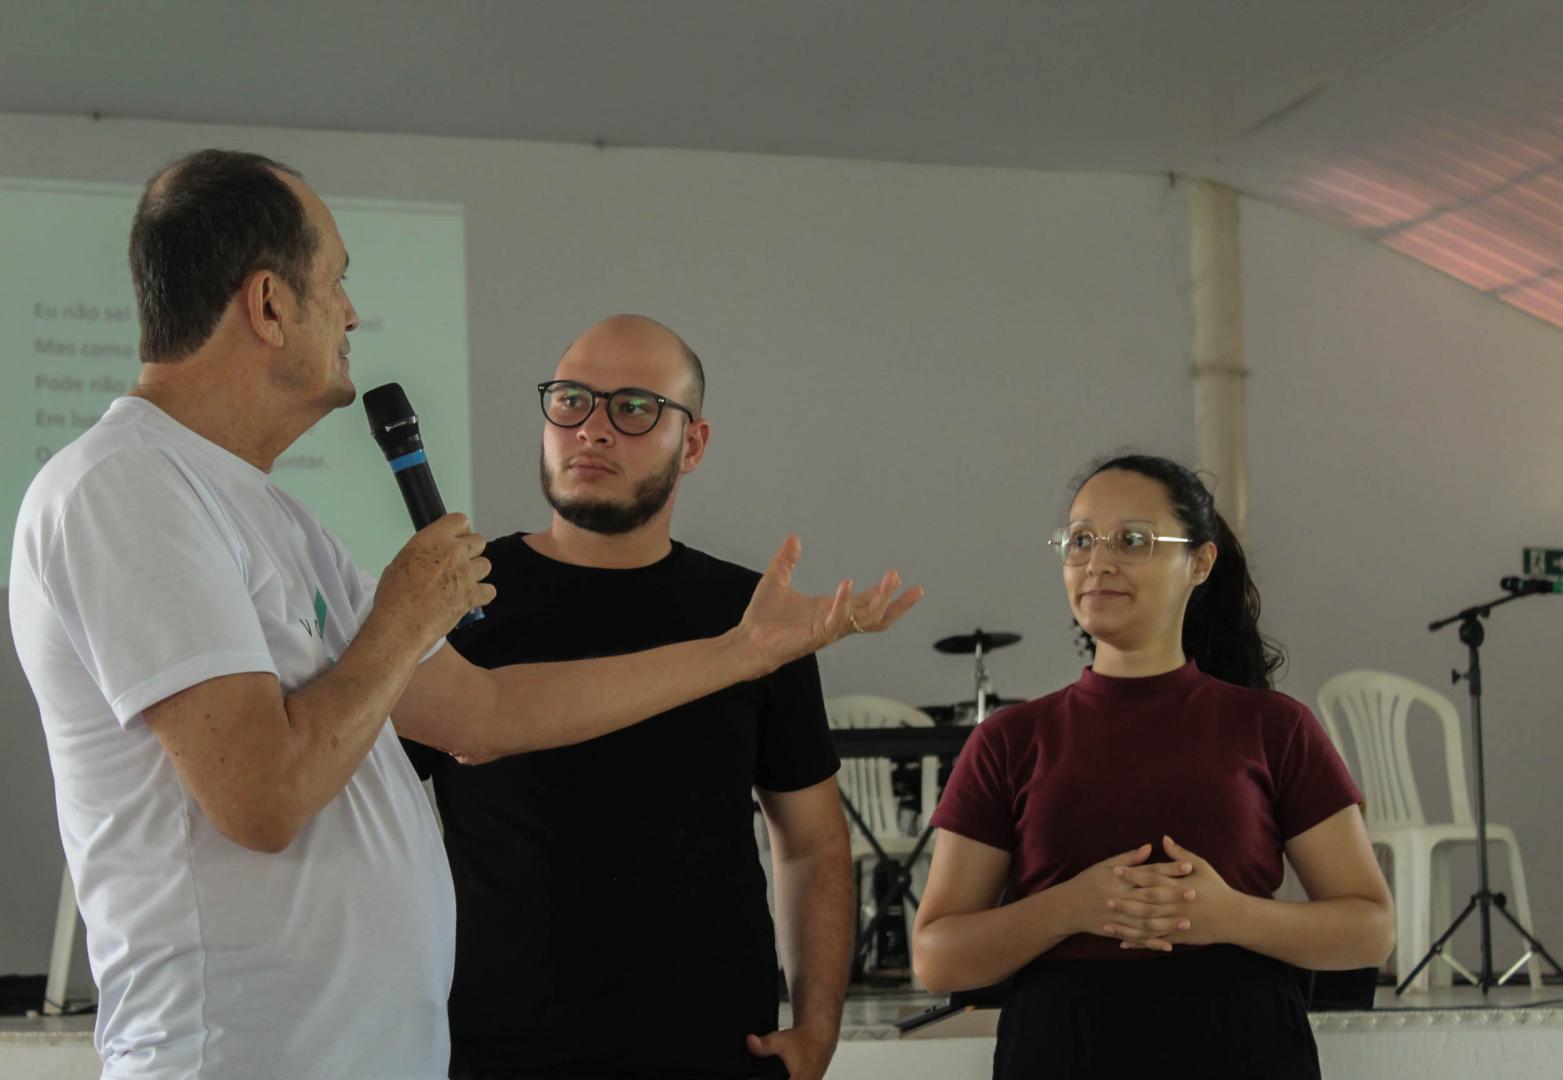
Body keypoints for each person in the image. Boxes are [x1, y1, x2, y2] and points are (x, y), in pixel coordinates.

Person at [7, 150, 918, 1080]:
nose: (351, 313)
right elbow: (260, 796)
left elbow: (484, 713)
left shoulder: (272, 515)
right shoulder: (126, 486)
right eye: (337, 282)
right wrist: (403, 618)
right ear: (271, 304)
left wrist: (739, 653)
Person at [405, 314, 870, 1080]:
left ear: (693, 443)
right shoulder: (459, 597)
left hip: (714, 1051)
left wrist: (819, 1025)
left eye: (634, 408)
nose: (592, 429)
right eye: (571, 400)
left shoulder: (754, 618)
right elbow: (362, 820)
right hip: (495, 1052)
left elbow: (812, 841)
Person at [912, 454, 1393, 1078]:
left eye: (1132, 541)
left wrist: (1230, 916)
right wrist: (1074, 907)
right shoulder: (1008, 740)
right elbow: (937, 958)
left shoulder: (1275, 727)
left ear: (1200, 562)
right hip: (1062, 1052)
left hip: (1242, 1048)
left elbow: (1369, 930)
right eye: (1080, 541)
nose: (1098, 562)